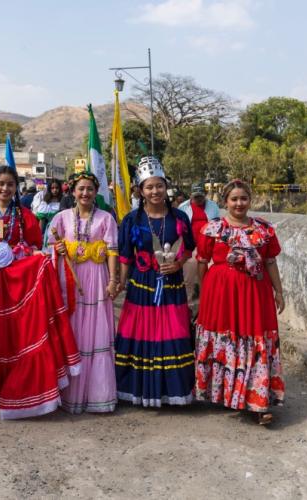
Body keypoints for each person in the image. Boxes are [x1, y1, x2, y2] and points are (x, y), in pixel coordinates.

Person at [0, 165, 82, 419]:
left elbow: (35, 247)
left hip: (16, 284)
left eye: (10, 184)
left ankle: (12, 387)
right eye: (1, 184)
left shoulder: (25, 216)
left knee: (16, 333)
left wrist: (25, 252)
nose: (5, 188)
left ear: (16, 188)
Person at [194, 179, 285, 425]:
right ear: (225, 202)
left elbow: (270, 262)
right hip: (220, 294)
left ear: (250, 200)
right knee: (228, 339)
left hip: (255, 294)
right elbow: (202, 262)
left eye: (243, 198)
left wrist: (278, 291)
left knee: (254, 339)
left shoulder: (264, 230)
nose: (239, 203)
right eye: (234, 199)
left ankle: (258, 401)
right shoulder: (213, 229)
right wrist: (204, 293)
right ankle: (226, 394)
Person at [115, 157, 195, 407]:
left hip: (171, 285)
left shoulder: (180, 217)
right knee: (142, 334)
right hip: (141, 286)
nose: (155, 191)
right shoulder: (132, 220)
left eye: (159, 185)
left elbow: (189, 248)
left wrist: (178, 264)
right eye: (149, 187)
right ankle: (138, 391)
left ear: (166, 187)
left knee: (173, 332)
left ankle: (173, 392)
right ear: (140, 191)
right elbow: (125, 256)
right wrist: (120, 282)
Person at [47, 172, 118, 414]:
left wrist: (113, 281)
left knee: (96, 330)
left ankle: (98, 396)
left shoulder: (106, 218)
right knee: (73, 326)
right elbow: (48, 248)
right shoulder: (61, 218)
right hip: (69, 279)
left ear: (96, 192)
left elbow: (112, 251)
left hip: (97, 279)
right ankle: (69, 395)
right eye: (81, 189)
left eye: (89, 189)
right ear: (73, 191)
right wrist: (57, 249)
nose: (85, 193)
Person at [179, 184, 221, 305]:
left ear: (205, 195)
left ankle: (206, 302)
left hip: (208, 246)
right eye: (196, 197)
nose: (199, 199)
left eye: (201, 197)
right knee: (189, 275)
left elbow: (217, 225)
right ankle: (187, 302)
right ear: (191, 196)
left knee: (206, 275)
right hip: (190, 246)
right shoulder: (183, 207)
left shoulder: (213, 206)